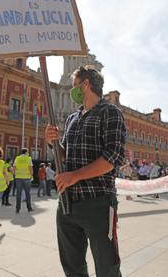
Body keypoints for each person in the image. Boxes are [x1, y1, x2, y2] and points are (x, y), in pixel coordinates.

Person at [45, 65, 125, 277]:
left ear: (86, 84)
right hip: (67, 203)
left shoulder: (110, 112)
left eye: (74, 86)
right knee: (72, 267)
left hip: (97, 201)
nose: (72, 91)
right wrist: (54, 144)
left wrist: (75, 176)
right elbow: (66, 157)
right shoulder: (73, 118)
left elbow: (112, 158)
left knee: (107, 266)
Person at [13, 148, 34, 213]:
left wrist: (16, 174)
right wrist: (31, 176)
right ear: (26, 152)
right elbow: (31, 169)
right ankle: (29, 208)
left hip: (18, 177)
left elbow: (14, 168)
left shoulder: (17, 158)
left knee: (18, 194)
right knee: (27, 193)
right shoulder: (28, 158)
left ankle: (17, 209)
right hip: (27, 178)